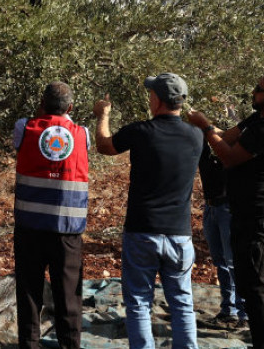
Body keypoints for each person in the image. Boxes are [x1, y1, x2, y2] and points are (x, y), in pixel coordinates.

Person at [94, 74, 202, 349]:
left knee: (139, 303)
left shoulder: (141, 132)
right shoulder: (196, 136)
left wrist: (102, 115)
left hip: (143, 231)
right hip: (179, 234)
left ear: (157, 100)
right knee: (182, 303)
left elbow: (104, 146)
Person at [188, 73, 264, 349]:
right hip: (244, 211)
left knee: (254, 287)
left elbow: (229, 156)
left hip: (259, 214)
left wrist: (204, 127)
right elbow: (227, 137)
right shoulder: (256, 120)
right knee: (251, 285)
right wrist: (208, 127)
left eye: (259, 90)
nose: (253, 91)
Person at [12, 82, 90, 349]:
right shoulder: (83, 134)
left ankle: (29, 345)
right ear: (70, 107)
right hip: (67, 230)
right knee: (69, 297)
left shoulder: (24, 127)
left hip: (29, 227)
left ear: (41, 104)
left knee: (30, 294)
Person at [197, 123, 246, 327]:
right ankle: (228, 309)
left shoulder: (233, 157)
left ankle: (244, 313)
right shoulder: (206, 155)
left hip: (228, 209)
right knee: (220, 262)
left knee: (233, 261)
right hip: (210, 209)